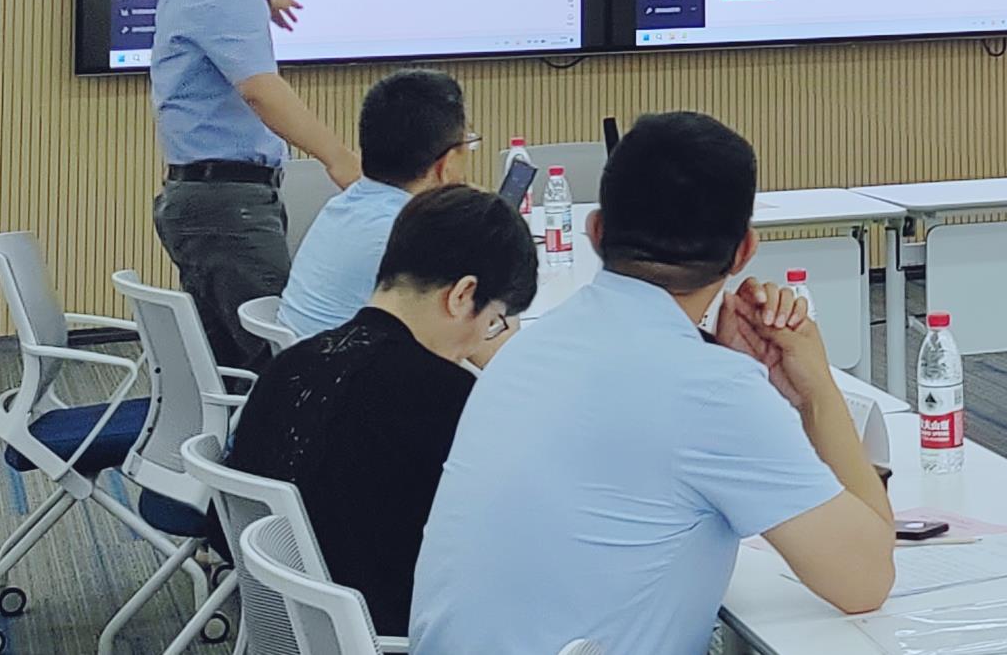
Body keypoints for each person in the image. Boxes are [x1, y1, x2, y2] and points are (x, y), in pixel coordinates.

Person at [412, 112, 894, 653]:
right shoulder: (711, 392)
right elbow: (866, 579)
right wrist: (815, 393)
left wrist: (713, 354)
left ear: (596, 231)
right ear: (743, 251)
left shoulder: (529, 347)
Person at [225, 186, 535, 636]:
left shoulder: (286, 366)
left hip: (287, 630)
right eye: (493, 322)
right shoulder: (444, 396)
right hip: (397, 634)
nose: (483, 340)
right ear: (463, 295)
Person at [150, 0, 359, 370]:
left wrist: (262, 1)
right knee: (287, 361)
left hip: (206, 200)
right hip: (228, 207)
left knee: (237, 364)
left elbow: (217, 10)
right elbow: (262, 92)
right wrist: (338, 157)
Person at [277, 69, 477, 341]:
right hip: (352, 365)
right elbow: (492, 353)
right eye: (469, 143)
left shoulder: (342, 207)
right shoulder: (412, 235)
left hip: (306, 361)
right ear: (448, 164)